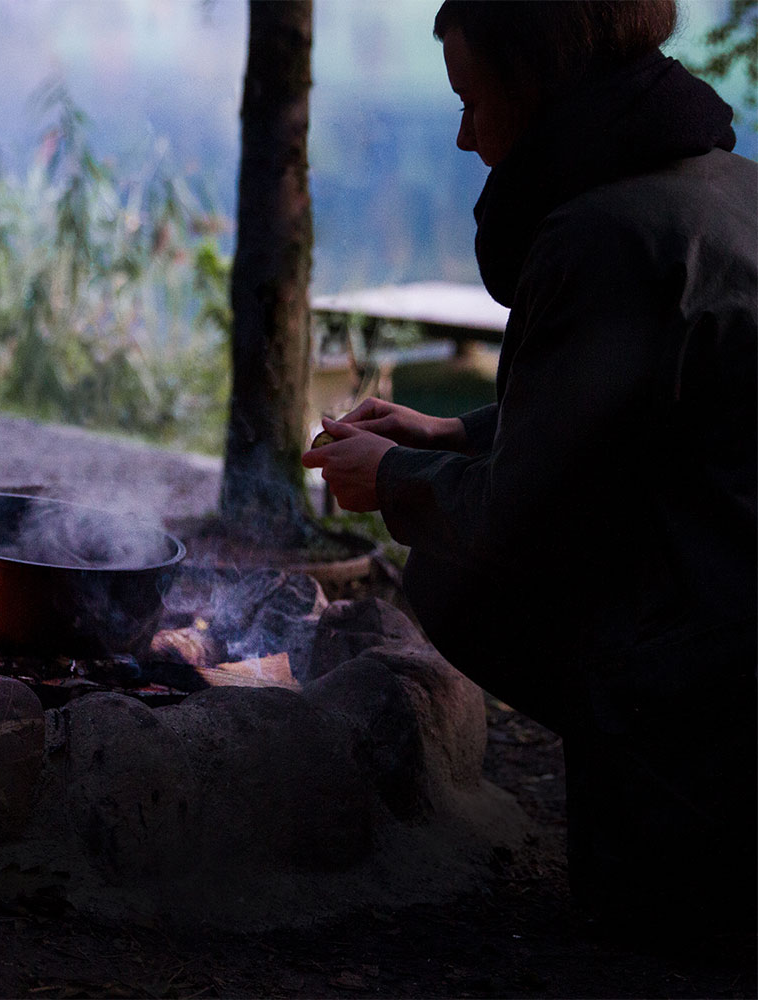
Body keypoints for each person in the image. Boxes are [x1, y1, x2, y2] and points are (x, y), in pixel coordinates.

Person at [302, 0, 756, 939]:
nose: (466, 138)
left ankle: (671, 794)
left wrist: (387, 480)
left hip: (718, 647)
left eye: (473, 100)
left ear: (539, 83)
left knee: (457, 572)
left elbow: (524, 517)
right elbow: (653, 416)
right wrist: (452, 434)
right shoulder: (726, 186)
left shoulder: (601, 236)